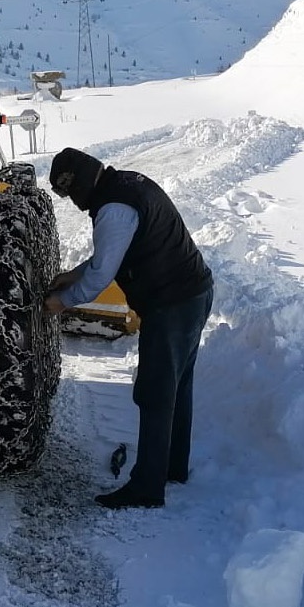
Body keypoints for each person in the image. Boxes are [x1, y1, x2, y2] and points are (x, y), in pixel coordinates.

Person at [44, 147, 214, 509]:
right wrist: (74, 274)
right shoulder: (125, 186)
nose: (76, 204)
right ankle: (171, 467)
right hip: (192, 292)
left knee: (154, 392)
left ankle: (147, 488)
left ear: (79, 185)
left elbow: (102, 274)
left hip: (173, 302)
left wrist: (63, 301)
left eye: (71, 194)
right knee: (176, 386)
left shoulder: (113, 209)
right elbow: (113, 253)